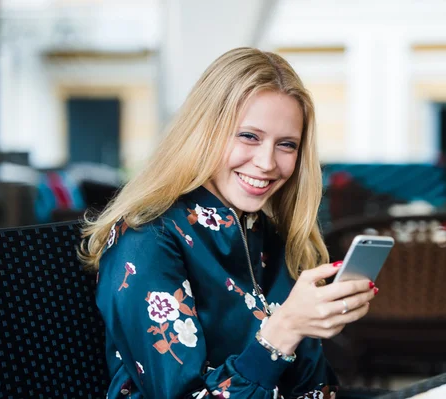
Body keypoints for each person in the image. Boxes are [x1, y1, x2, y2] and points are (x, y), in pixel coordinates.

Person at [80, 47, 378, 399]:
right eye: (248, 136)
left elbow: (311, 390)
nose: (267, 162)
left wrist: (313, 326)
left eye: (286, 144)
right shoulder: (146, 240)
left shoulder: (270, 236)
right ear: (203, 132)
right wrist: (281, 333)